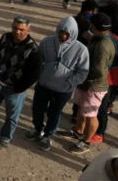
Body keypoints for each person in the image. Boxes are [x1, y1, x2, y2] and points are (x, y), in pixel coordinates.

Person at [26, 17, 89, 152]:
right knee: (37, 109)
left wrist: (69, 82)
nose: (63, 35)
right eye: (61, 32)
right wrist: (41, 74)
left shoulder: (81, 50)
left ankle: (48, 136)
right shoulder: (47, 42)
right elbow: (38, 61)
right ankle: (37, 129)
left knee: (54, 113)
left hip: (62, 90)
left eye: (67, 33)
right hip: (43, 85)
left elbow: (82, 72)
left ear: (73, 33)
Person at [0, 16, 41, 149]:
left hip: (14, 89)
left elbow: (35, 74)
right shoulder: (5, 37)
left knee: (11, 116)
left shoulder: (33, 49)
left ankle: (5, 138)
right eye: (15, 28)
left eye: (21, 29)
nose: (17, 32)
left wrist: (19, 88)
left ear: (28, 30)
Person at [69, 13, 117, 154]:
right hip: (88, 84)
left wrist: (82, 76)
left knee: (91, 115)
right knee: (82, 110)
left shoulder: (102, 45)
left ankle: (86, 141)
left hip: (94, 86)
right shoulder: (101, 39)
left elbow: (99, 71)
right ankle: (78, 131)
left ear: (94, 26)